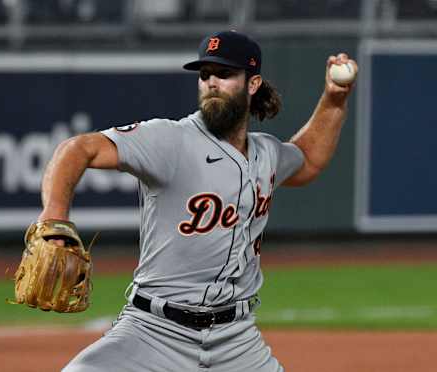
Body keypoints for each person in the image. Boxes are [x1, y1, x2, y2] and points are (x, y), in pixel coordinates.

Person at [40, 30, 357, 372]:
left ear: (253, 84)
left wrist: (334, 100)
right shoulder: (170, 140)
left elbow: (308, 160)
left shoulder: (266, 154)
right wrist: (54, 221)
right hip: (153, 333)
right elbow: (78, 149)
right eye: (205, 75)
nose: (211, 83)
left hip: (236, 340)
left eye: (224, 74)